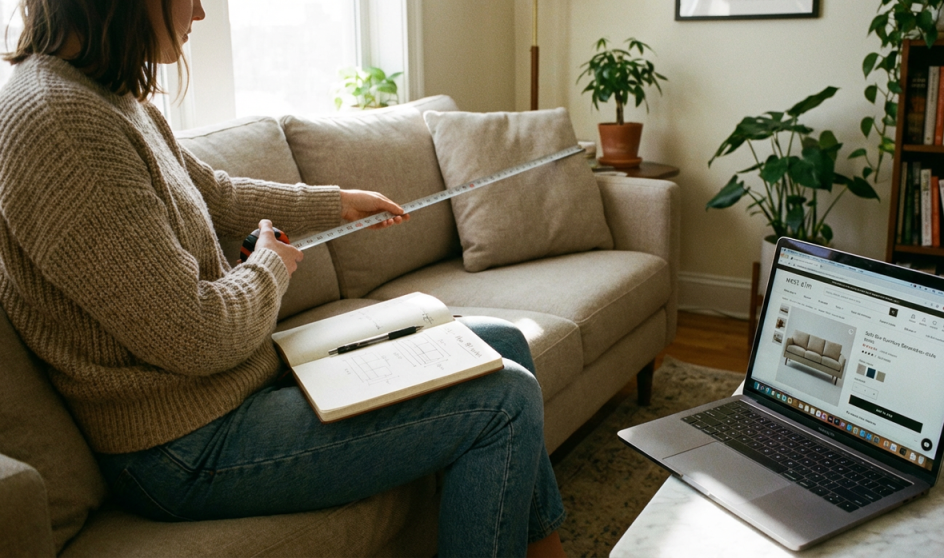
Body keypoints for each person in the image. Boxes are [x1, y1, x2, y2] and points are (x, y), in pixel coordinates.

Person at [0, 0, 566, 556]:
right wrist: (269, 266)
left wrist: (335, 202)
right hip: (179, 445)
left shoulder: (109, 94)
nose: (199, 13)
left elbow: (213, 193)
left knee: (503, 342)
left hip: (233, 388)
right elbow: (195, 332)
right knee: (505, 398)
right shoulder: (57, 121)